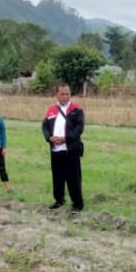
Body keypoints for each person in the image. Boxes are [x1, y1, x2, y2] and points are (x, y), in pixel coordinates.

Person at [41, 83, 85, 211]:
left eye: (67, 94)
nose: (65, 96)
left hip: (70, 149)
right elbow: (45, 126)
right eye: (62, 94)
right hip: (55, 149)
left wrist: (65, 139)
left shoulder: (76, 109)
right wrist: (49, 138)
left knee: (73, 178)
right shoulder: (51, 110)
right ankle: (59, 200)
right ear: (57, 95)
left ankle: (77, 204)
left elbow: (79, 129)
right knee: (57, 177)